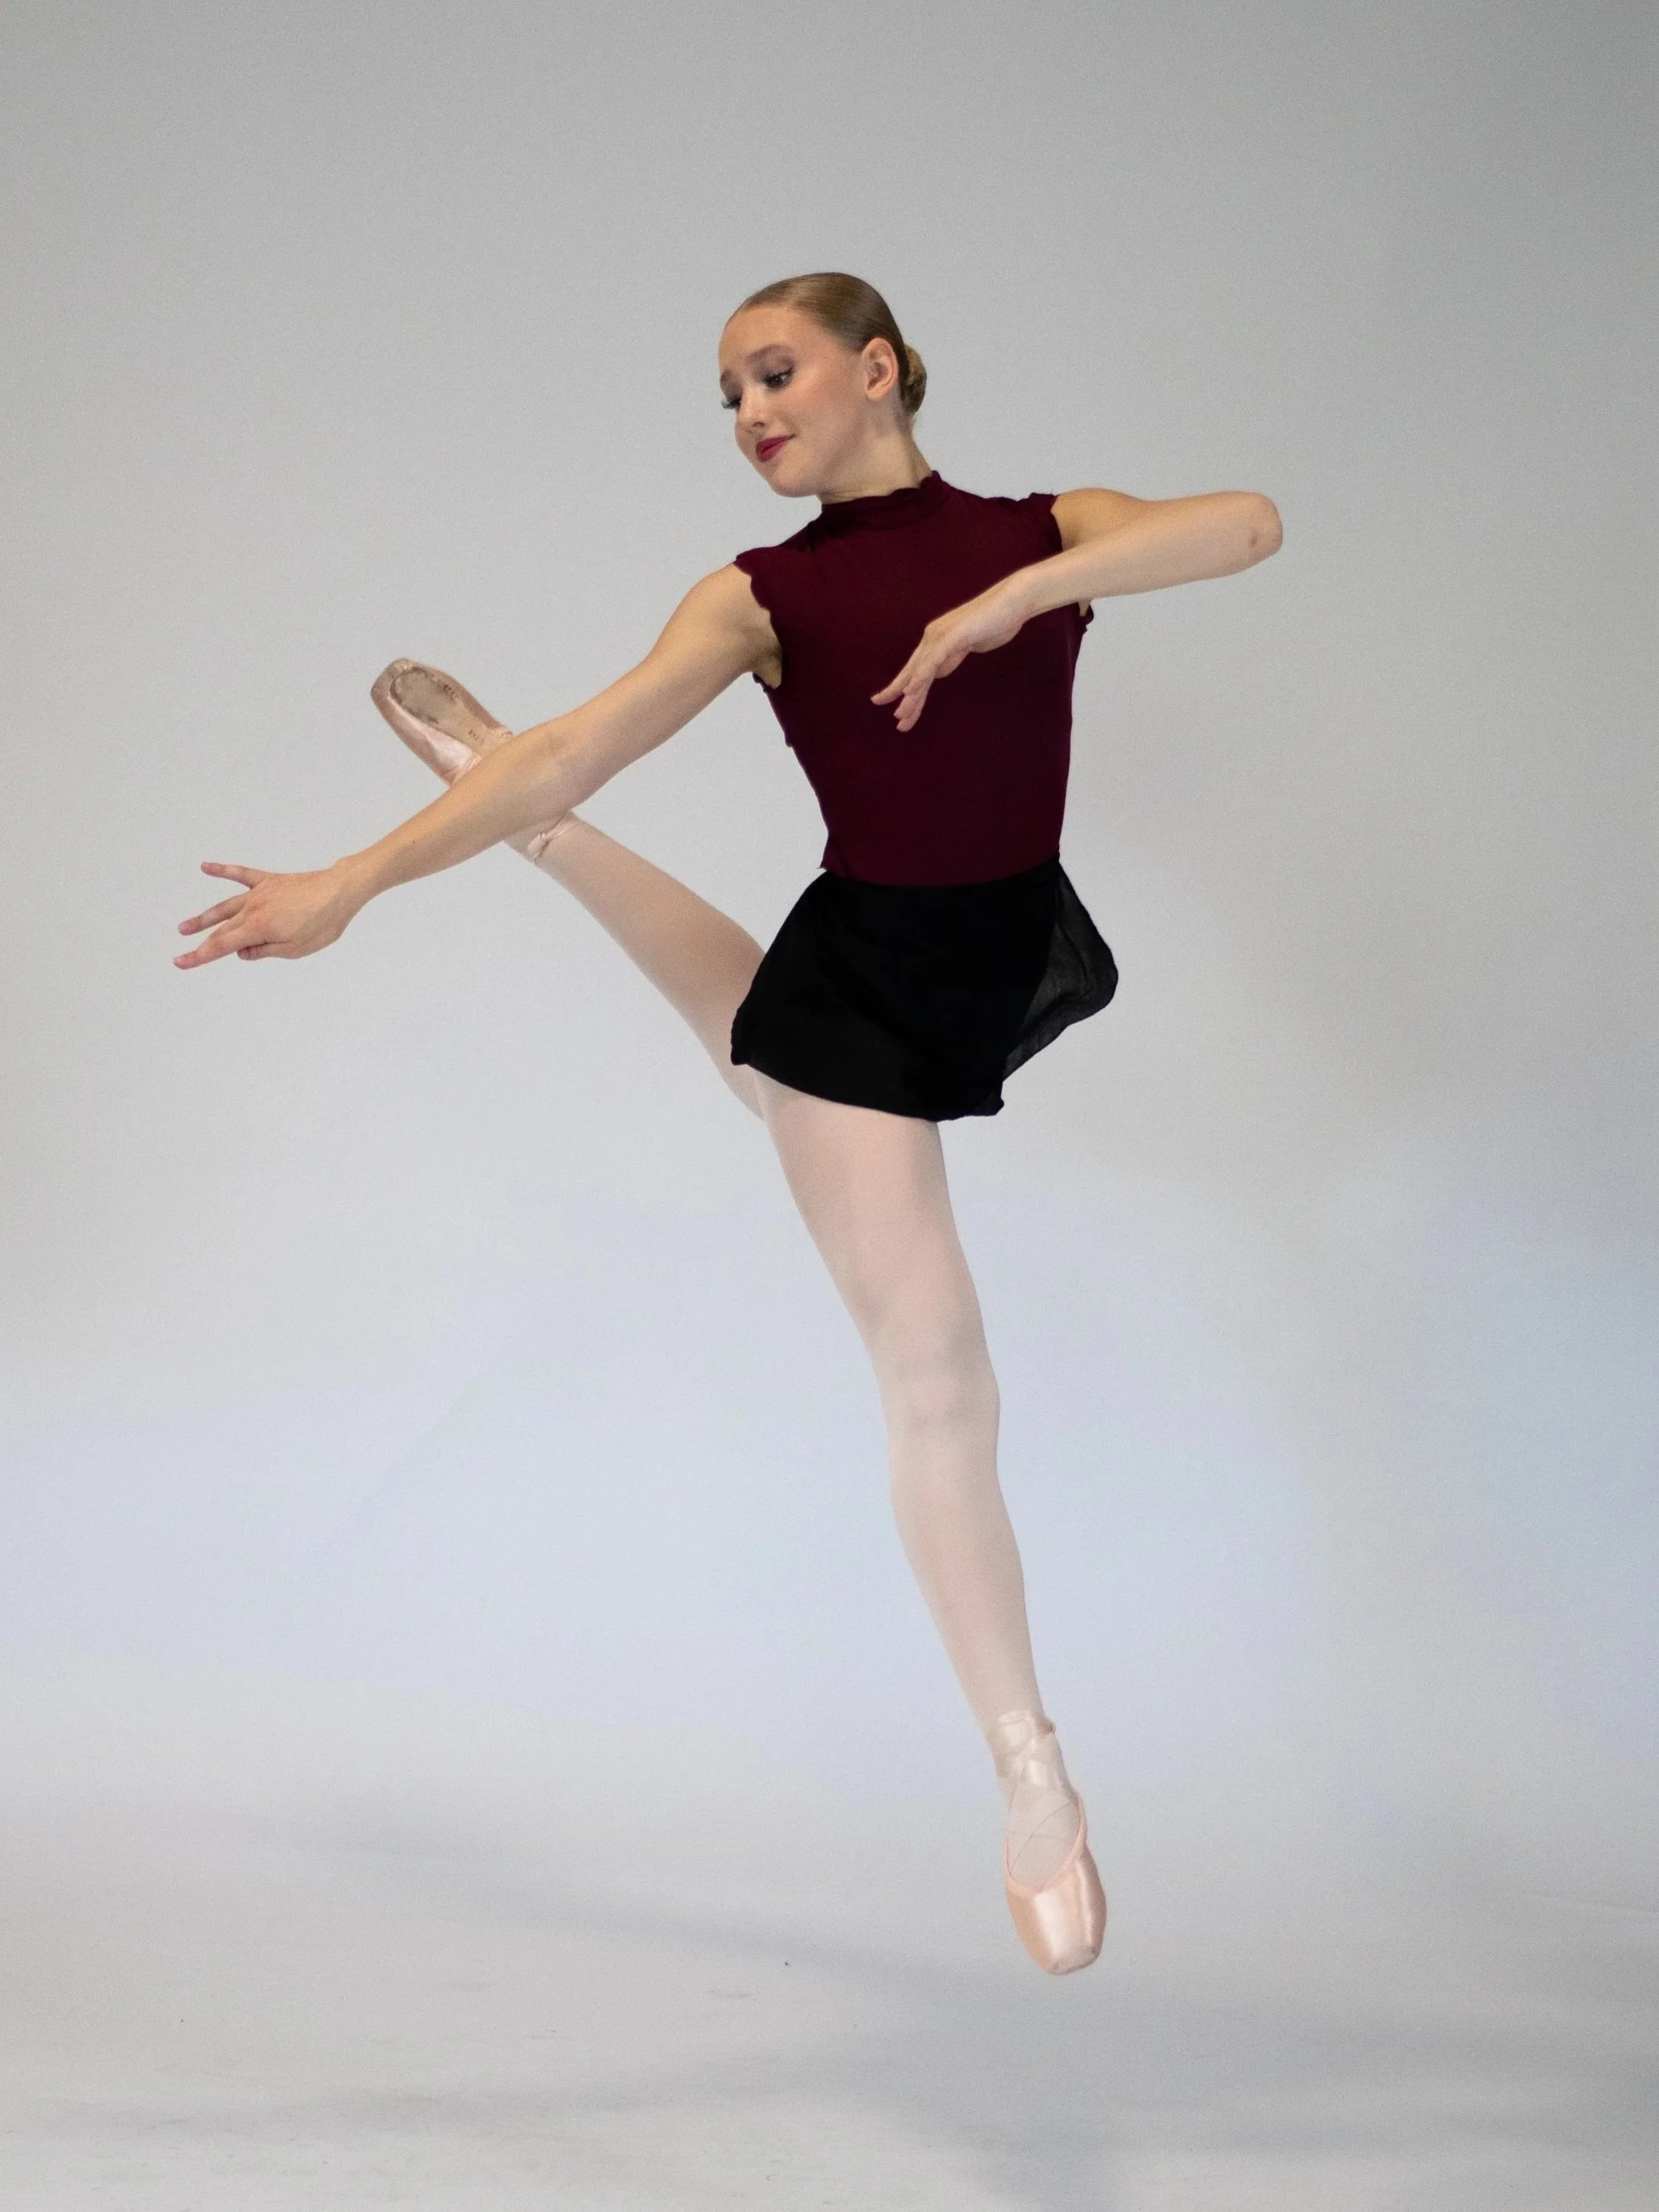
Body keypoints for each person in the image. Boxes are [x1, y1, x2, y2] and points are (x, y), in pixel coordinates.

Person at [176, 271, 1282, 1974]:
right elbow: (577, 740)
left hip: (991, 948)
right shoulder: (762, 592)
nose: (750, 410)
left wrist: (1023, 599)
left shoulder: (1036, 525)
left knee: (740, 1052)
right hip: (864, 978)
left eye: (772, 373)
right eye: (726, 395)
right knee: (937, 1370)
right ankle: (1031, 1773)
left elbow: (1245, 527)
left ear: (877, 367)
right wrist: (357, 881)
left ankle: (547, 857)